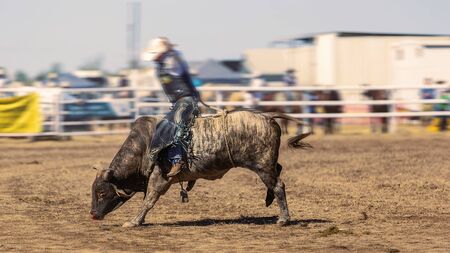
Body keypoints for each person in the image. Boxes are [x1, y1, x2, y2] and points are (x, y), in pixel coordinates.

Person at [142, 37, 200, 178]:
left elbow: (183, 71)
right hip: (178, 101)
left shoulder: (172, 61)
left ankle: (177, 160)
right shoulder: (164, 64)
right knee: (163, 127)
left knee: (172, 125)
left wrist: (170, 49)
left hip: (185, 100)